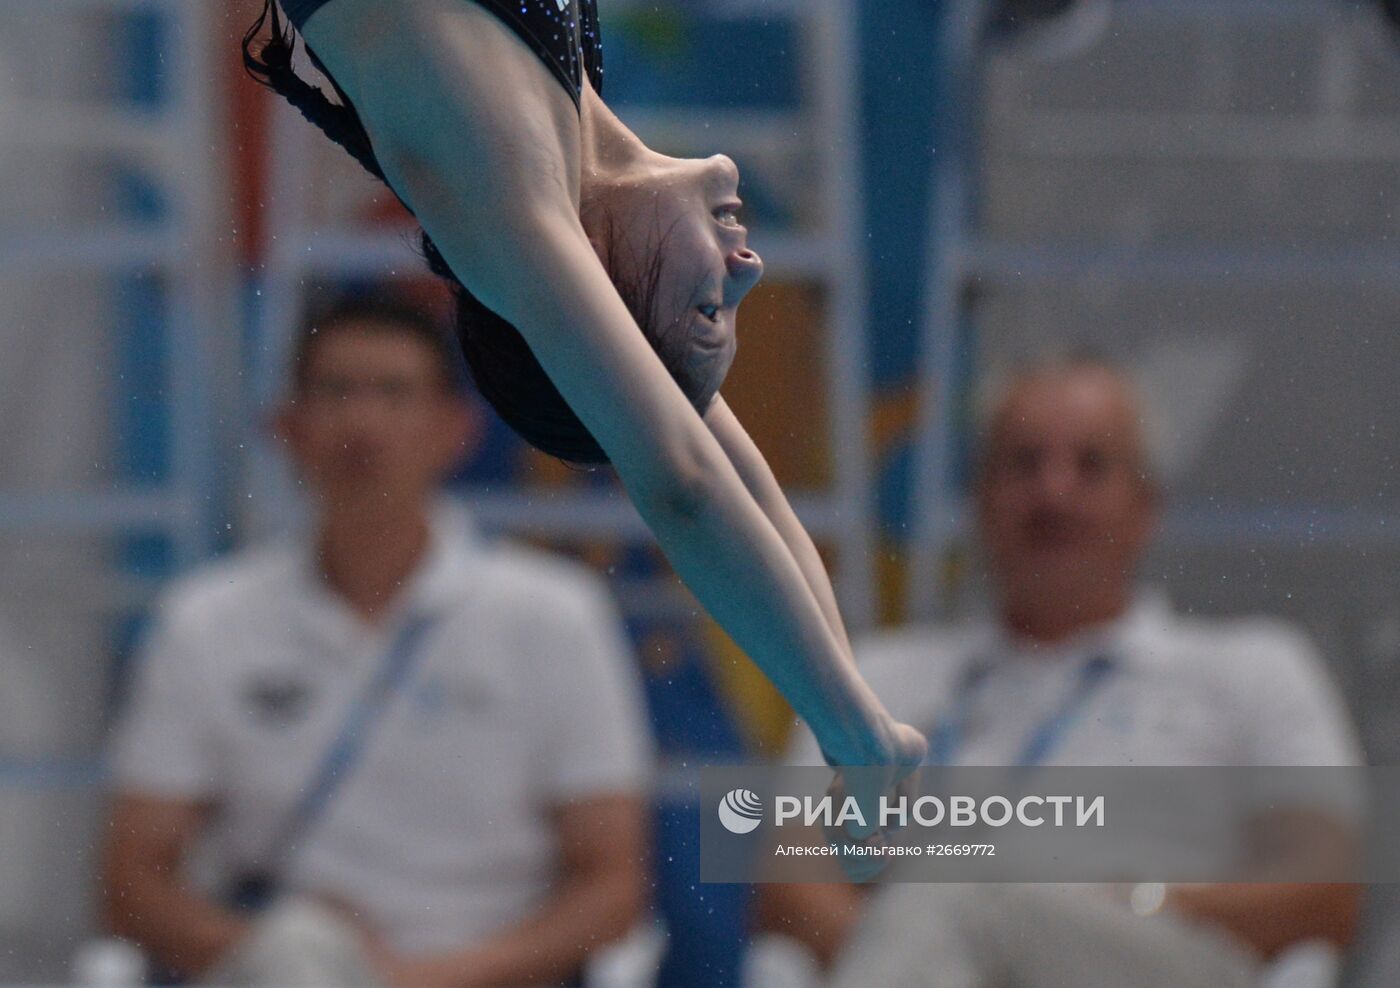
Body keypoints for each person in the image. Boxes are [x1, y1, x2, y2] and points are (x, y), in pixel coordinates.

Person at [240, 0, 926, 815]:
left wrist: (851, 733)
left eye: (710, 311)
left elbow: (686, 480)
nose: (746, 272)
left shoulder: (503, 185)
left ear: (602, 297)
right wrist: (852, 704)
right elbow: (731, 468)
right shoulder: (569, 115)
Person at [757, 356, 1364, 987]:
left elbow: (1323, 890)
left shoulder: (1251, 668)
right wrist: (936, 947)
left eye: (1090, 466)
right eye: (1023, 464)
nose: (1053, 493)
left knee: (955, 896)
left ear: (1144, 506)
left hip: (1155, 958)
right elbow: (788, 880)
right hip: (930, 958)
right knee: (945, 904)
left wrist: (1135, 903)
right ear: (980, 500)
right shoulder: (884, 676)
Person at [101, 297, 655, 987]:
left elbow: (613, 889)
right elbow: (131, 883)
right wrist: (276, 958)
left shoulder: (556, 616)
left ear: (457, 430)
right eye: (337, 393)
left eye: (394, 394)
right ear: (287, 428)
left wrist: (420, 980)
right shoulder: (204, 620)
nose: (364, 425)